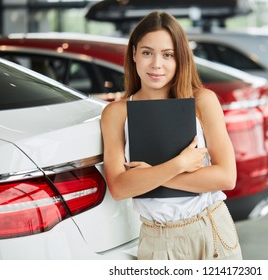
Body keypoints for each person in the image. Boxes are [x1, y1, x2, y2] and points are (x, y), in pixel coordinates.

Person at [100, 11, 242, 260]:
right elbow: (120, 187)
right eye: (147, 52)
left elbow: (226, 177)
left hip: (211, 229)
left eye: (167, 55)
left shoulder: (202, 101)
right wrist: (179, 164)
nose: (156, 64)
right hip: (157, 240)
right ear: (134, 53)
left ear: (180, 59)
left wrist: (149, 176)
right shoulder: (117, 113)